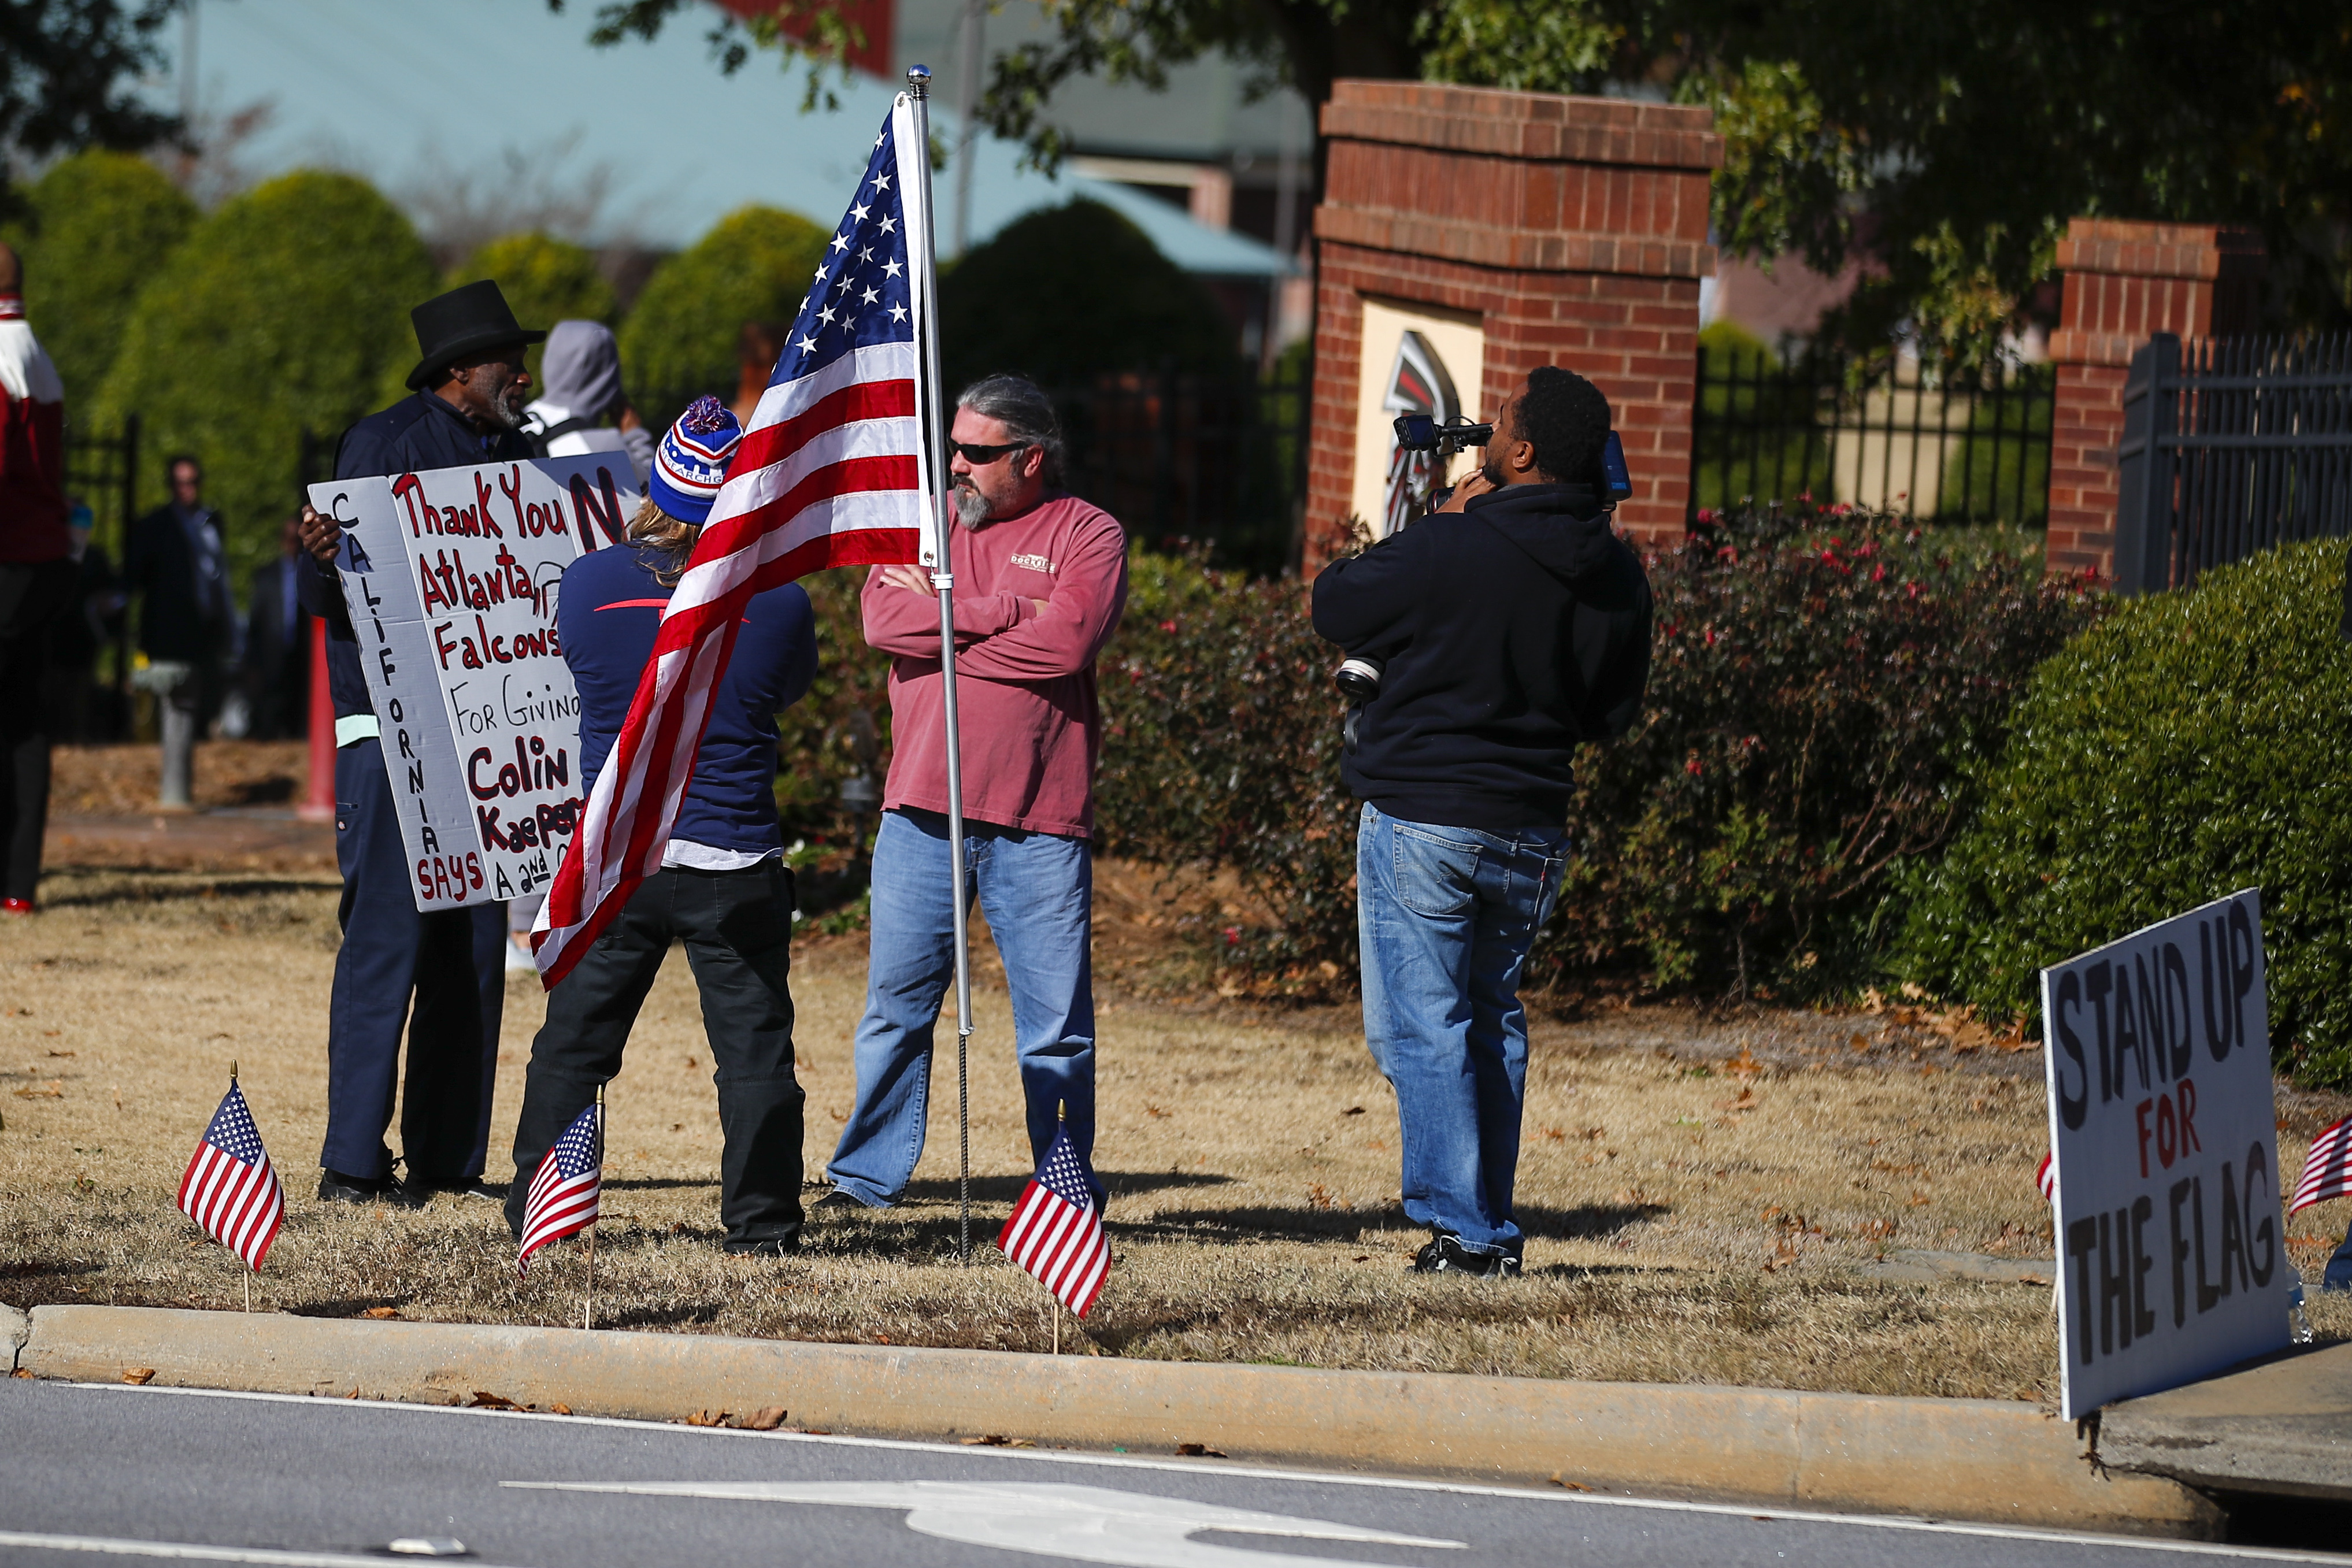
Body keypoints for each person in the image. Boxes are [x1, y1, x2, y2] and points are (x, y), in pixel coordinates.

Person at [1310, 365, 1653, 1277]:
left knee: (1420, 1028)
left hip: (1425, 817)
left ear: (1524, 452)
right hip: (1534, 828)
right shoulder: (1619, 574)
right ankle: (1484, 1218)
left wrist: (1445, 524)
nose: (1486, 435)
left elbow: (1335, 603)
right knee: (1489, 1016)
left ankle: (1465, 1231)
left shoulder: (1454, 543)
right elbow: (1610, 715)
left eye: (1499, 426)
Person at [503, 395, 817, 1254]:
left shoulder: (589, 582)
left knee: (574, 1045)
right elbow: (786, 688)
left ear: (656, 490)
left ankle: (542, 1207)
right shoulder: (780, 600)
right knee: (754, 1057)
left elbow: (583, 670)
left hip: (619, 857)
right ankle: (762, 1229)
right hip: (734, 853)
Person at [823, 374, 1127, 1213]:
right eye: (952, 445)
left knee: (1056, 1028)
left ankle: (1061, 1190)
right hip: (922, 810)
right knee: (894, 1008)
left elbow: (1067, 645)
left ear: (1031, 459)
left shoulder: (1087, 532)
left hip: (1041, 820)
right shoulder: (925, 523)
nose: (954, 463)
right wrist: (1014, 610)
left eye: (978, 452)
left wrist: (953, 629)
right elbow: (884, 624)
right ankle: (864, 1179)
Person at [294, 279, 545, 1206]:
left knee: (471, 956)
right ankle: (352, 1165)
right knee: (386, 947)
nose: (522, 374)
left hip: (485, 737)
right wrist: (320, 560)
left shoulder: (522, 453)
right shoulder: (383, 444)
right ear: (456, 373)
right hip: (394, 735)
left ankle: (447, 1160)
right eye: (505, 362)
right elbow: (334, 595)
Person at [0, 241, 73, 916]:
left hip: (8, 558)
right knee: (24, 723)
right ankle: (18, 881)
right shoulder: (34, 351)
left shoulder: (1, 354)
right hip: (43, 556)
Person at [125, 454, 234, 807]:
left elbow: (219, 579)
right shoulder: (155, 526)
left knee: (197, 712)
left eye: (193, 482)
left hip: (205, 631)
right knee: (176, 708)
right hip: (171, 635)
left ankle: (179, 790)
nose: (188, 490)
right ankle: (173, 791)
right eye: (181, 483)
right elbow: (134, 580)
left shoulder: (211, 522)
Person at [521, 319, 653, 481]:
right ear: (606, 375)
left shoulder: (517, 422)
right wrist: (635, 434)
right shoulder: (606, 446)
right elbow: (654, 496)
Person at [241, 514, 310, 741]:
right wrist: (252, 662)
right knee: (269, 712)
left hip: (302, 656)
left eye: (297, 540)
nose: (292, 545)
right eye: (289, 539)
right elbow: (256, 622)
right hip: (272, 656)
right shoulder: (266, 576)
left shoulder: (312, 574)